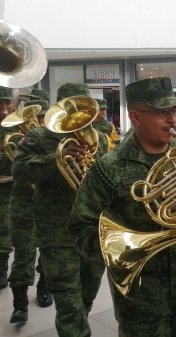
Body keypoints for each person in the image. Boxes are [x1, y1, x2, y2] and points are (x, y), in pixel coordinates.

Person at [67, 77, 176, 337]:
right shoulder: (109, 167)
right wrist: (125, 248)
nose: (173, 120)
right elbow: (80, 229)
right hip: (141, 296)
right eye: (162, 112)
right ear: (136, 117)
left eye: (175, 111)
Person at [13, 83, 108, 336]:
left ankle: (79, 325)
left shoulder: (99, 138)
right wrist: (56, 160)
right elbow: (19, 172)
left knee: (87, 295)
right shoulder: (39, 137)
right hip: (56, 233)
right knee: (68, 304)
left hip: (92, 230)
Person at [8, 99, 53, 324]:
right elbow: (19, 169)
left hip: (48, 206)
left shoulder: (58, 139)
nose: (39, 123)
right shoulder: (23, 140)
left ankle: (44, 288)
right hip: (23, 203)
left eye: (44, 118)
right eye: (38, 118)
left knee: (47, 252)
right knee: (23, 254)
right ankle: (19, 305)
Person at [0, 86, 17, 289]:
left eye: (7, 103)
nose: (4, 108)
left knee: (4, 229)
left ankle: (2, 269)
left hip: (10, 189)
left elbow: (20, 160)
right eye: (0, 103)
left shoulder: (17, 127)